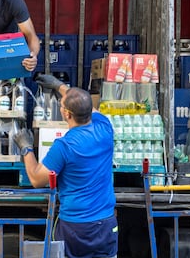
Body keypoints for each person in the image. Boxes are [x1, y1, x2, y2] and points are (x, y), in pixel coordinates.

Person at [13, 74, 118, 258]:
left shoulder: (64, 146)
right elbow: (86, 106)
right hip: (106, 224)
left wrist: (26, 148)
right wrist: (59, 85)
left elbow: (37, 179)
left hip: (75, 228)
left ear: (66, 114)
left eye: (62, 105)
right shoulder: (105, 128)